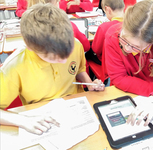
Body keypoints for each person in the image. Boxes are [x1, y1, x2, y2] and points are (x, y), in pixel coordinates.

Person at [0, 3, 105, 135]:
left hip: (77, 107)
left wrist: (89, 83)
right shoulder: (15, 66)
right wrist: (23, 120)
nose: (64, 61)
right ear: (30, 47)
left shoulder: (76, 44)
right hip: (43, 116)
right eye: (54, 58)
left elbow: (79, 70)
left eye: (67, 53)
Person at [15, 0, 90, 52]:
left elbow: (90, 6)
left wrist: (79, 3)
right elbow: (86, 46)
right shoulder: (69, 26)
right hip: (71, 68)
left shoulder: (28, 31)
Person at [86, 0, 124, 65]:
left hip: (108, 63)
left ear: (107, 9)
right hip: (126, 62)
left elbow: (96, 50)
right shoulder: (131, 23)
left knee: (87, 52)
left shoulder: (104, 27)